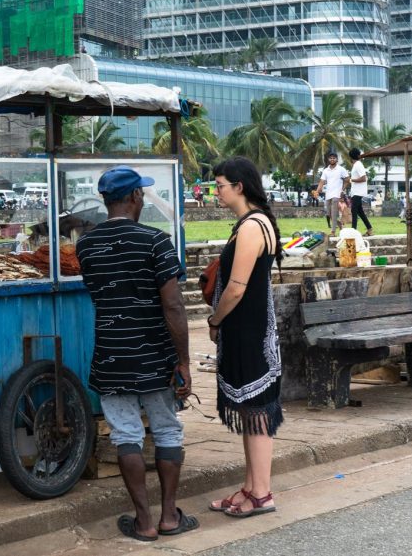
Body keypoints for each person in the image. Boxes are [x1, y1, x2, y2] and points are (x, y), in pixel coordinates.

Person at [75, 165, 198, 542]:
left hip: (111, 355)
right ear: (134, 197)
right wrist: (183, 361)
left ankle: (143, 521)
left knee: (125, 434)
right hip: (155, 356)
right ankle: (169, 517)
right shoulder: (156, 241)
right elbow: (174, 307)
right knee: (166, 431)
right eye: (141, 193)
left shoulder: (85, 245)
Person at [206, 156, 283, 519]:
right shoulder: (253, 223)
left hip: (248, 330)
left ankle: (262, 493)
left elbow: (236, 288)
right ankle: (251, 487)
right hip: (247, 329)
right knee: (253, 412)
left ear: (239, 187)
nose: (216, 192)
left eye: (220, 185)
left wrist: (215, 319)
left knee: (258, 414)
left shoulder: (253, 226)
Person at [316, 151, 349, 236]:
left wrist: (342, 190)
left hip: (337, 194)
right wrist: (317, 191)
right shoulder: (326, 170)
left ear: (337, 159)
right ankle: (339, 225)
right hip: (328, 194)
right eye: (330, 158)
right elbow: (321, 182)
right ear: (328, 159)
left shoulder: (341, 169)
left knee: (334, 213)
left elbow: (347, 180)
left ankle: (333, 232)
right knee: (328, 214)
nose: (332, 159)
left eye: (334, 158)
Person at [348, 148, 374, 236]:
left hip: (358, 192)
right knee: (359, 211)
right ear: (358, 155)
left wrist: (351, 180)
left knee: (353, 210)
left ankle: (353, 231)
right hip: (356, 191)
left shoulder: (358, 165)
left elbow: (363, 178)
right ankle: (369, 229)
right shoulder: (356, 164)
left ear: (350, 156)